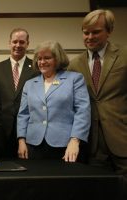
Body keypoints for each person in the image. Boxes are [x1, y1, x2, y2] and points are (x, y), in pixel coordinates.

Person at [67, 9, 127, 175]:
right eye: (86, 33)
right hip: (91, 142)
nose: (90, 37)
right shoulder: (74, 65)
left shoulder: (124, 55)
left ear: (109, 31)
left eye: (96, 32)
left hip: (122, 135)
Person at [17, 40, 91, 162]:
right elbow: (23, 115)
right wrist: (21, 140)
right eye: (39, 58)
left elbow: (83, 111)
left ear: (57, 59)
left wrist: (75, 140)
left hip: (66, 146)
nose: (42, 62)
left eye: (47, 58)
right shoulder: (29, 84)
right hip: (34, 146)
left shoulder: (74, 79)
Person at [0, 28, 38, 158]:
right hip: (1, 133)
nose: (18, 45)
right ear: (9, 43)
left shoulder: (37, 68)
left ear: (27, 44)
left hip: (29, 132)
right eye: (15, 42)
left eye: (22, 42)